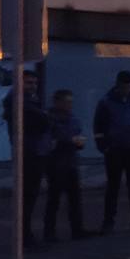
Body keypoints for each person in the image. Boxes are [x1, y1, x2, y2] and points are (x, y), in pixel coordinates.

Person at [94, 70, 130, 233]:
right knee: (113, 186)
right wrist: (103, 147)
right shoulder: (106, 102)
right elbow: (98, 126)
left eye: (128, 86)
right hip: (114, 149)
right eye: (124, 86)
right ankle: (108, 222)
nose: (126, 89)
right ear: (118, 85)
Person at [2, 69, 51, 245]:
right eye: (29, 83)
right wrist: (44, 117)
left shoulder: (30, 100)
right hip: (27, 152)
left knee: (30, 195)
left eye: (35, 83)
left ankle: (26, 235)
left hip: (35, 150)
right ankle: (24, 237)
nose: (33, 86)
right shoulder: (17, 101)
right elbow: (41, 121)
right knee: (27, 195)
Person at [44, 89, 91, 241]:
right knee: (54, 199)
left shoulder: (73, 119)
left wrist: (79, 143)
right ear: (57, 102)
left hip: (71, 162)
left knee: (75, 198)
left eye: (70, 102)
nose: (69, 105)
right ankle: (49, 232)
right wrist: (68, 141)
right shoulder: (49, 119)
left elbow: (76, 136)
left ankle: (77, 229)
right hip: (56, 163)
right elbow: (49, 141)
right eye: (66, 101)